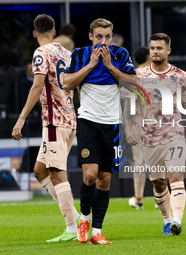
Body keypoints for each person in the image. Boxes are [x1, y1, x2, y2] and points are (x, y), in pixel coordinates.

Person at [63, 18, 136, 244]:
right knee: (90, 175)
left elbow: (134, 84)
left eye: (107, 37)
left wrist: (111, 66)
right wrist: (91, 65)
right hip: (88, 121)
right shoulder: (80, 54)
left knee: (105, 180)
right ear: (90, 36)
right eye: (98, 37)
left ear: (111, 37)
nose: (103, 42)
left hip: (113, 124)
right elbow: (66, 83)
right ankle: (84, 220)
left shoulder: (121, 55)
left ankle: (97, 231)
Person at [126, 33, 186, 236]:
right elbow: (130, 105)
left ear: (168, 51)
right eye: (152, 48)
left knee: (176, 178)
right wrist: (130, 126)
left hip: (175, 135)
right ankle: (167, 221)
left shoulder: (180, 76)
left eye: (159, 48)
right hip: (149, 138)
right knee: (159, 183)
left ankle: (177, 220)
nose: (155, 52)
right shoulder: (138, 76)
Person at [12, 14, 79, 242]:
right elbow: (77, 83)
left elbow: (37, 85)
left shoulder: (40, 53)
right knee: (40, 171)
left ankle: (71, 228)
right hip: (70, 120)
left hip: (54, 121)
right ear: (53, 31)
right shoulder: (67, 53)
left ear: (34, 34)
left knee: (58, 174)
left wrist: (21, 119)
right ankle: (75, 215)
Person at [125, 47, 154, 209]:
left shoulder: (133, 76)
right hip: (157, 122)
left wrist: (128, 126)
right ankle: (161, 199)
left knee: (140, 162)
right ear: (149, 56)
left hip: (138, 122)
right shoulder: (158, 74)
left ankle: (138, 199)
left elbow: (129, 103)